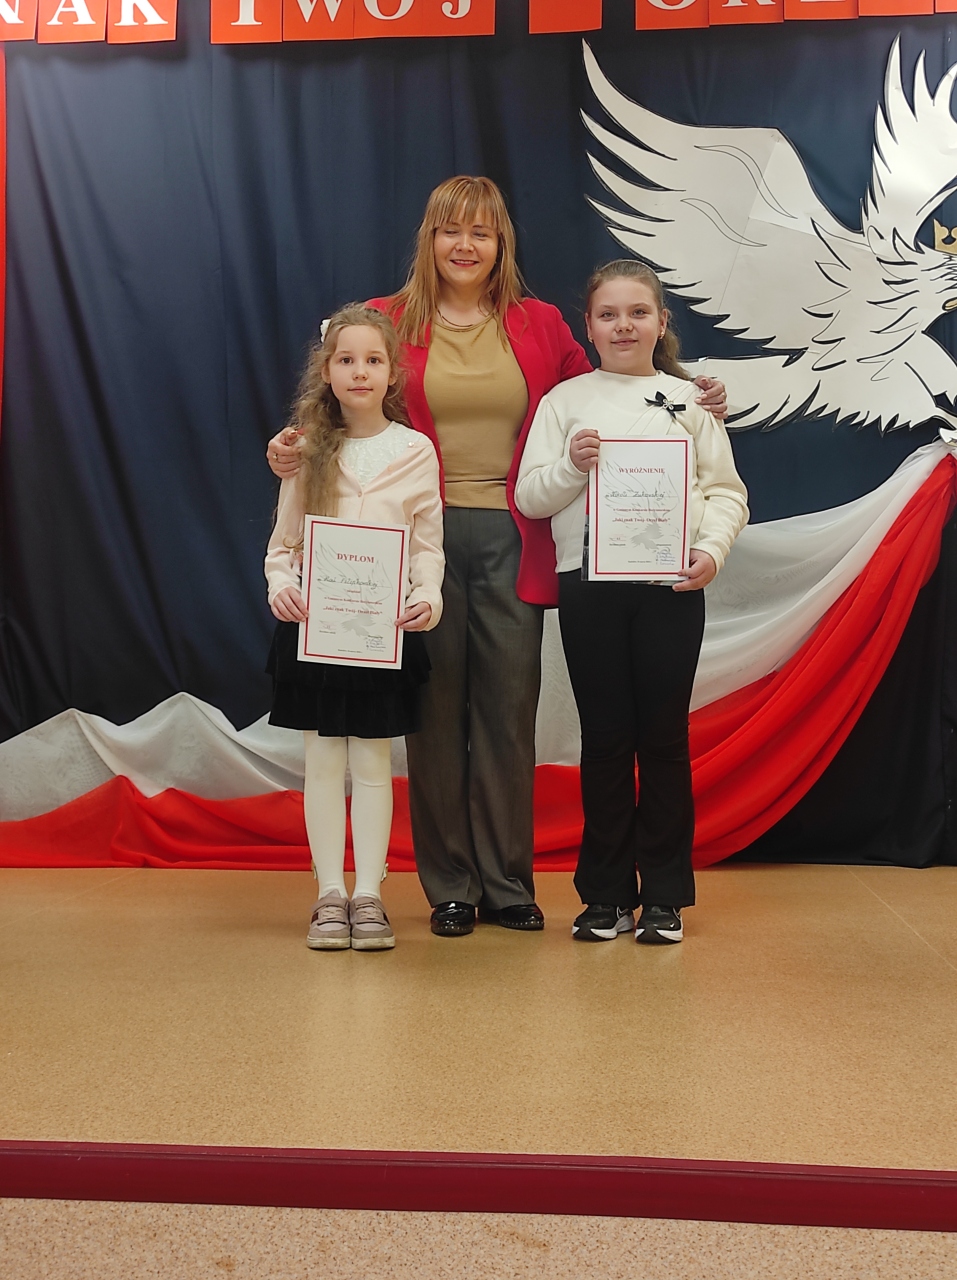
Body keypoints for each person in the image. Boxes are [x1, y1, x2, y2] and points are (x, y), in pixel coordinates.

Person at [267, 176, 729, 938]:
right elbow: (334, 404)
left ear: (500, 243)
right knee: (433, 716)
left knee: (509, 715)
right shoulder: (385, 319)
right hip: (406, 541)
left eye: (480, 232)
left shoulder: (539, 324)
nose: (465, 245)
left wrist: (693, 395)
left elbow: (615, 390)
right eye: (451, 230)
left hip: (515, 535)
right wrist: (289, 448)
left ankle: (507, 883)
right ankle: (450, 885)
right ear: (429, 239)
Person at [515, 259, 749, 945]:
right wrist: (571, 466)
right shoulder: (564, 402)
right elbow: (530, 496)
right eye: (609, 315)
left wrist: (710, 551)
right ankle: (606, 896)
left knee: (664, 739)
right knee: (606, 740)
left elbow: (726, 491)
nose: (624, 326)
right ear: (587, 327)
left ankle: (666, 896)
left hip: (669, 589)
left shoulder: (689, 402)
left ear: (661, 322)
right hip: (588, 586)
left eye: (638, 313)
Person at [265, 304, 444, 951]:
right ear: (327, 370)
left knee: (371, 761)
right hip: (318, 629)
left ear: (393, 372)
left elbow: (427, 544)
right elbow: (283, 545)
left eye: (373, 360)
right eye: (346, 360)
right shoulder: (306, 449)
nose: (359, 371)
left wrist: (427, 595)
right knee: (322, 761)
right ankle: (328, 894)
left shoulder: (415, 451)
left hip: (381, 632)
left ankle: (369, 894)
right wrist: (282, 586)